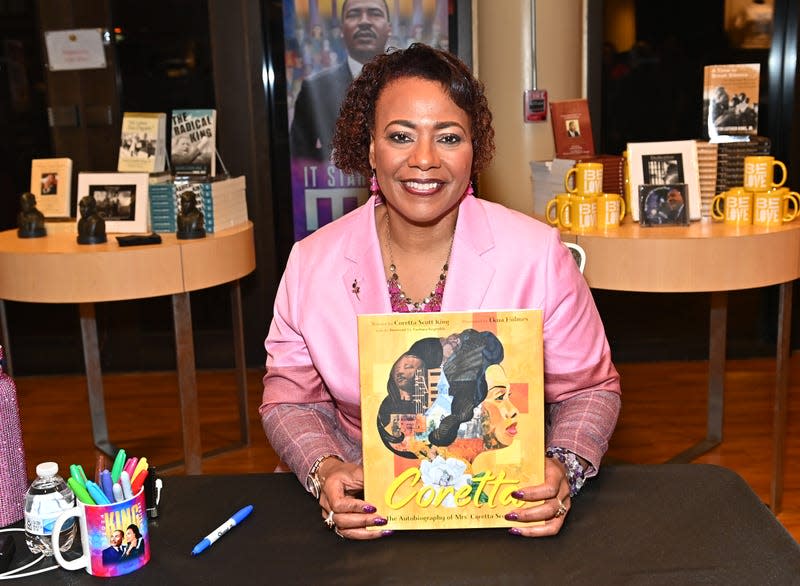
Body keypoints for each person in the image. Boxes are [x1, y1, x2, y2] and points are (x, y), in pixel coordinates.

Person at [260, 44, 621, 540]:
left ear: (474, 150)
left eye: (448, 137)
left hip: (498, 507)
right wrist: (325, 467)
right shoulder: (311, 263)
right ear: (369, 148)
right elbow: (289, 402)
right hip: (367, 510)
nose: (424, 160)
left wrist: (563, 466)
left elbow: (590, 389)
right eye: (401, 136)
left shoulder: (535, 253)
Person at [289, 0, 391, 161]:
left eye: (374, 13)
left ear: (388, 28)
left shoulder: (410, 86)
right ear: (342, 30)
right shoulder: (315, 90)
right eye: (354, 14)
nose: (364, 21)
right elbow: (299, 160)